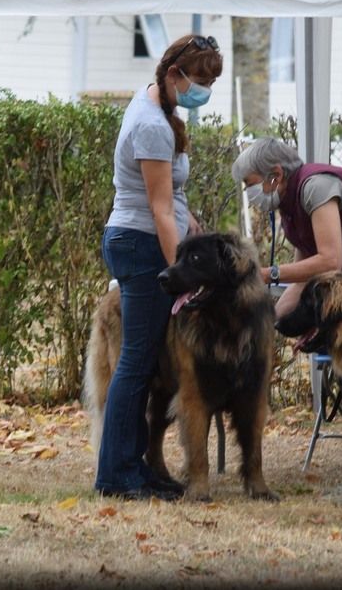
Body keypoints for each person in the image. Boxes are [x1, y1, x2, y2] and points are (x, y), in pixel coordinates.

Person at [96, 33, 223, 500]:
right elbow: (157, 207)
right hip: (141, 243)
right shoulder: (151, 124)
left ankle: (136, 466)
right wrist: (180, 277)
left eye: (210, 82)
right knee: (135, 364)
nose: (203, 90)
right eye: (200, 80)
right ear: (174, 74)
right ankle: (117, 475)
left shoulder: (156, 106)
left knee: (145, 362)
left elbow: (171, 202)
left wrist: (191, 221)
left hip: (144, 236)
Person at [231, 137, 342, 317]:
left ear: (276, 175)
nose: (248, 193)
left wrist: (267, 274)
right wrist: (268, 325)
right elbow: (302, 282)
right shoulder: (290, 208)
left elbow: (330, 261)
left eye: (250, 184)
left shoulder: (315, 188)